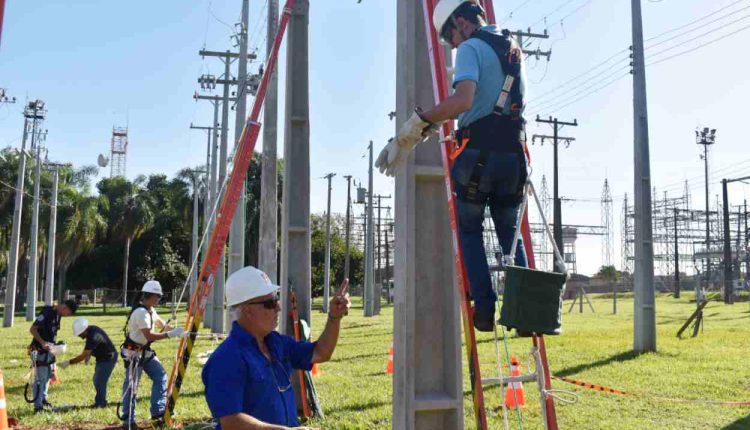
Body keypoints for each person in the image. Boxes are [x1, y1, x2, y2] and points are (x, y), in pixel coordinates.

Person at [376, 0, 529, 332]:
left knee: (471, 229)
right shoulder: (513, 47)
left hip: (479, 157)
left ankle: (485, 310)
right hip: (515, 157)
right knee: (510, 235)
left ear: (461, 22)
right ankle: (527, 314)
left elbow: (463, 101)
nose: (452, 45)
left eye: (450, 37)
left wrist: (417, 123)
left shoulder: (471, 47)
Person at [202, 266, 350, 430]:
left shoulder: (278, 343)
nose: (278, 307)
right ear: (247, 311)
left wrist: (334, 318)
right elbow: (231, 421)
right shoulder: (226, 359)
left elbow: (321, 353)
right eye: (270, 303)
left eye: (276, 299)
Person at [120, 280, 187, 429]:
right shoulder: (141, 312)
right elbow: (149, 336)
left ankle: (157, 410)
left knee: (161, 376)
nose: (158, 299)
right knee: (132, 387)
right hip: (133, 352)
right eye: (157, 296)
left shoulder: (150, 310)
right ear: (150, 295)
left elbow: (161, 325)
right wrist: (170, 334)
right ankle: (128, 420)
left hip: (145, 351)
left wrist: (179, 331)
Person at [28, 299, 78, 412]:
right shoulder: (47, 312)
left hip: (49, 351)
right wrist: (42, 342)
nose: (67, 315)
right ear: (65, 308)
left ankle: (44, 400)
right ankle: (38, 406)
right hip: (39, 350)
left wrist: (57, 345)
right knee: (40, 378)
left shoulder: (58, 315)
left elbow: (51, 333)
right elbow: (33, 329)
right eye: (68, 313)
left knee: (47, 377)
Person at [58, 318, 118, 408]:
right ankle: (100, 402)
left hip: (108, 358)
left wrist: (69, 362)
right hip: (101, 358)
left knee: (100, 381)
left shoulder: (93, 335)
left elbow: (83, 355)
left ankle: (100, 404)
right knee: (97, 380)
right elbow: (91, 347)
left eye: (80, 334)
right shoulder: (91, 330)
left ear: (84, 330)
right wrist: (88, 355)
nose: (79, 336)